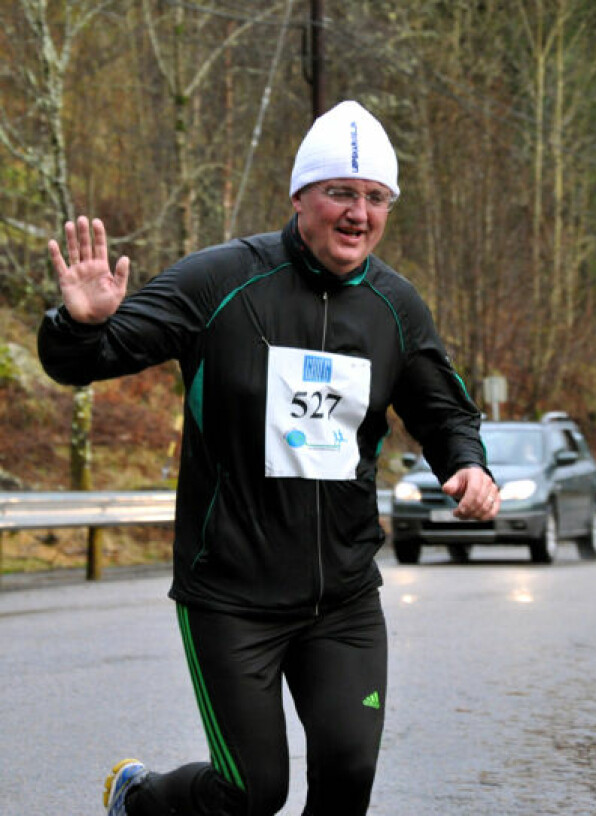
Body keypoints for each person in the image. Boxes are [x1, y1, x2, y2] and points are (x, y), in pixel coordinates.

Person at [38, 100, 500, 816]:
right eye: (340, 193)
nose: (358, 213)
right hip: (231, 596)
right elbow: (88, 359)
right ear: (299, 197)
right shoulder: (220, 283)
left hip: (341, 598)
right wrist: (79, 322)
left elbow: (444, 411)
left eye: (375, 198)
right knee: (251, 791)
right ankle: (139, 800)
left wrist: (466, 464)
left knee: (347, 777)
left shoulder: (395, 307)